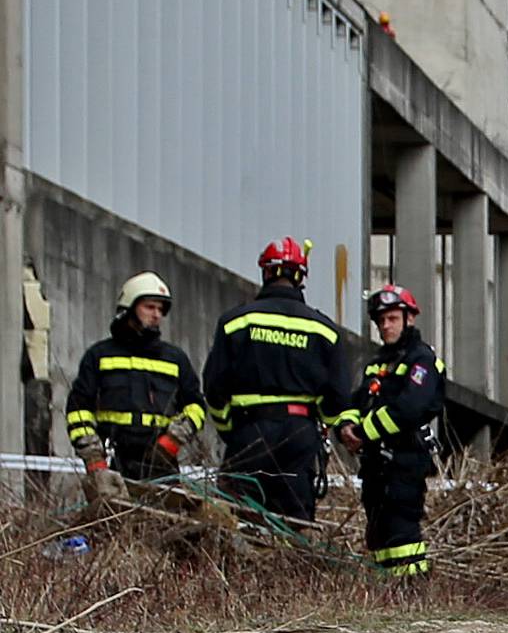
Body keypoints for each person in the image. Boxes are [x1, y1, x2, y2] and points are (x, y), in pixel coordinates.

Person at [202, 238, 353, 524]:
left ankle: (239, 568)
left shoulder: (236, 321)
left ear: (266, 273)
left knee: (239, 517)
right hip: (300, 435)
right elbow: (338, 397)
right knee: (294, 521)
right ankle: (290, 568)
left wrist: (229, 430)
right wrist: (321, 429)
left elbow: (214, 386)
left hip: (249, 431)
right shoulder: (324, 330)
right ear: (301, 278)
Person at [339, 285, 445, 582]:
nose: (385, 326)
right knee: (378, 531)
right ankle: (387, 593)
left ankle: (411, 591)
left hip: (404, 459)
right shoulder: (377, 363)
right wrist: (345, 426)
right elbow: (358, 400)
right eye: (381, 320)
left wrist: (362, 432)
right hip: (375, 464)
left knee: (402, 530)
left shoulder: (422, 360)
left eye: (393, 319)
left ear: (409, 318)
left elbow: (408, 409)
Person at [65, 273, 206, 492]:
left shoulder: (175, 359)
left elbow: (196, 406)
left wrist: (172, 441)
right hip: (114, 464)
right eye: (150, 307)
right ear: (129, 308)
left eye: (161, 310)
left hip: (162, 465)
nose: (157, 315)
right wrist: (94, 460)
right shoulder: (99, 356)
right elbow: (78, 410)